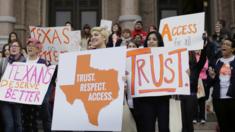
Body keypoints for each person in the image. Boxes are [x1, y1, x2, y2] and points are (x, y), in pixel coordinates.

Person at [133, 31, 170, 132]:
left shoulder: (167, 56)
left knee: (164, 128)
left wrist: (184, 73)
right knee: (148, 128)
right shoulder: (139, 57)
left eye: (154, 39)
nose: (151, 41)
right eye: (148, 39)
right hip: (146, 100)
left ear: (159, 42)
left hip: (163, 98)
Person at [22, 38, 55, 132]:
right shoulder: (22, 63)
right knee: (28, 121)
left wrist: (45, 97)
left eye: (32, 46)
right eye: (28, 45)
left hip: (40, 99)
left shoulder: (44, 63)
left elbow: (50, 81)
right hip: (25, 98)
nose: (29, 47)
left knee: (45, 120)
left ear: (38, 49)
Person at [180, 36, 208, 132]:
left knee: (188, 121)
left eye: (191, 54)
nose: (189, 56)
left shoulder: (196, 68)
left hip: (191, 96)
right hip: (180, 96)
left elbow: (203, 58)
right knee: (183, 123)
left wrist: (204, 45)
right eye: (187, 54)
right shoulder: (179, 67)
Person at [208, 38, 235, 132]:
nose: (224, 45)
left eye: (227, 44)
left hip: (232, 98)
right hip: (218, 99)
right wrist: (212, 76)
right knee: (223, 126)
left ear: (232, 49)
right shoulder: (217, 61)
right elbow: (211, 82)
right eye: (223, 44)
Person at [0, 39, 25, 132]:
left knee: (18, 125)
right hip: (4, 99)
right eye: (12, 46)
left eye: (16, 46)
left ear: (20, 49)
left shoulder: (25, 62)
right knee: (9, 125)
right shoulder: (3, 61)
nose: (13, 48)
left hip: (17, 99)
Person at [193, 50, 209, 124]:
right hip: (195, 80)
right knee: (195, 99)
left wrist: (197, 68)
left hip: (203, 80)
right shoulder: (192, 57)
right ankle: (195, 117)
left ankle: (202, 117)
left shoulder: (204, 57)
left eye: (199, 49)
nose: (197, 50)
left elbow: (205, 67)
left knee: (202, 100)